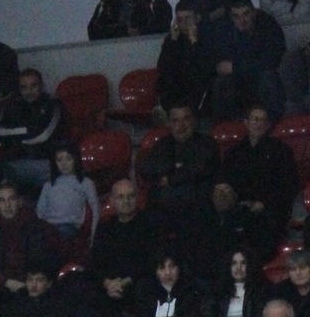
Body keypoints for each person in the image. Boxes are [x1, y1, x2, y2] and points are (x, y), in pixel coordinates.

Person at [220, 104, 300, 255]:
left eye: (262, 120)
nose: (258, 124)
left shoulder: (281, 151)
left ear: (268, 124)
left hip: (270, 211)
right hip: (239, 208)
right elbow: (226, 182)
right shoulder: (234, 153)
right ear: (246, 122)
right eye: (254, 119)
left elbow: (288, 185)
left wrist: (264, 204)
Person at [137, 104, 218, 248]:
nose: (181, 125)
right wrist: (174, 169)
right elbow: (146, 168)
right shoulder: (163, 143)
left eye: (186, 119)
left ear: (193, 121)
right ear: (169, 123)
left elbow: (198, 169)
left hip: (195, 205)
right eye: (175, 120)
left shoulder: (206, 143)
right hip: (163, 208)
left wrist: (169, 177)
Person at [0, 181, 63, 301]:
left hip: (37, 289)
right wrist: (7, 282)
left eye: (11, 199)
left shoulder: (38, 227)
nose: (7, 205)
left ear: (19, 202)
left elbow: (54, 257)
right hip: (3, 291)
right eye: (2, 200)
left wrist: (34, 282)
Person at [209, 0, 286, 122]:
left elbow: (272, 60)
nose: (242, 20)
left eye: (246, 14)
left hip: (261, 80)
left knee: (268, 77)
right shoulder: (225, 31)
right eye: (236, 16)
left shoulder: (268, 26)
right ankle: (227, 126)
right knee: (222, 82)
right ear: (231, 18)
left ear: (254, 13)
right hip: (239, 83)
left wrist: (237, 67)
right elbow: (220, 63)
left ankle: (273, 123)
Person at [0, 68, 66, 193]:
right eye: (24, 87)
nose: (29, 91)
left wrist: (14, 136)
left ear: (41, 86)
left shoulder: (53, 105)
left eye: (33, 86)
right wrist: (28, 130)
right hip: (14, 163)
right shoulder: (11, 106)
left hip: (44, 162)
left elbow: (43, 135)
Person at [89, 177, 154, 305]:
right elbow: (95, 261)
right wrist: (107, 283)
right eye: (121, 197)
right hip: (108, 285)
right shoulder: (104, 227)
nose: (126, 201)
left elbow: (150, 262)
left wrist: (124, 283)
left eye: (131, 196)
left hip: (136, 283)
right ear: (112, 201)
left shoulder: (149, 224)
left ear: (137, 198)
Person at [155, 6, 214, 116]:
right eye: (180, 19)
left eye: (188, 18)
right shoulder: (172, 39)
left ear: (197, 18)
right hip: (177, 86)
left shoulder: (208, 36)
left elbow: (205, 69)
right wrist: (173, 42)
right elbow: (163, 67)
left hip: (199, 86)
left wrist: (194, 43)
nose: (184, 23)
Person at [36, 141, 100, 243]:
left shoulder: (85, 183)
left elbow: (95, 209)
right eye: (59, 160)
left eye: (68, 159)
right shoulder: (48, 185)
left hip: (69, 226)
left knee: (58, 235)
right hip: (48, 226)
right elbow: (40, 212)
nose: (64, 164)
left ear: (75, 159)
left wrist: (93, 235)